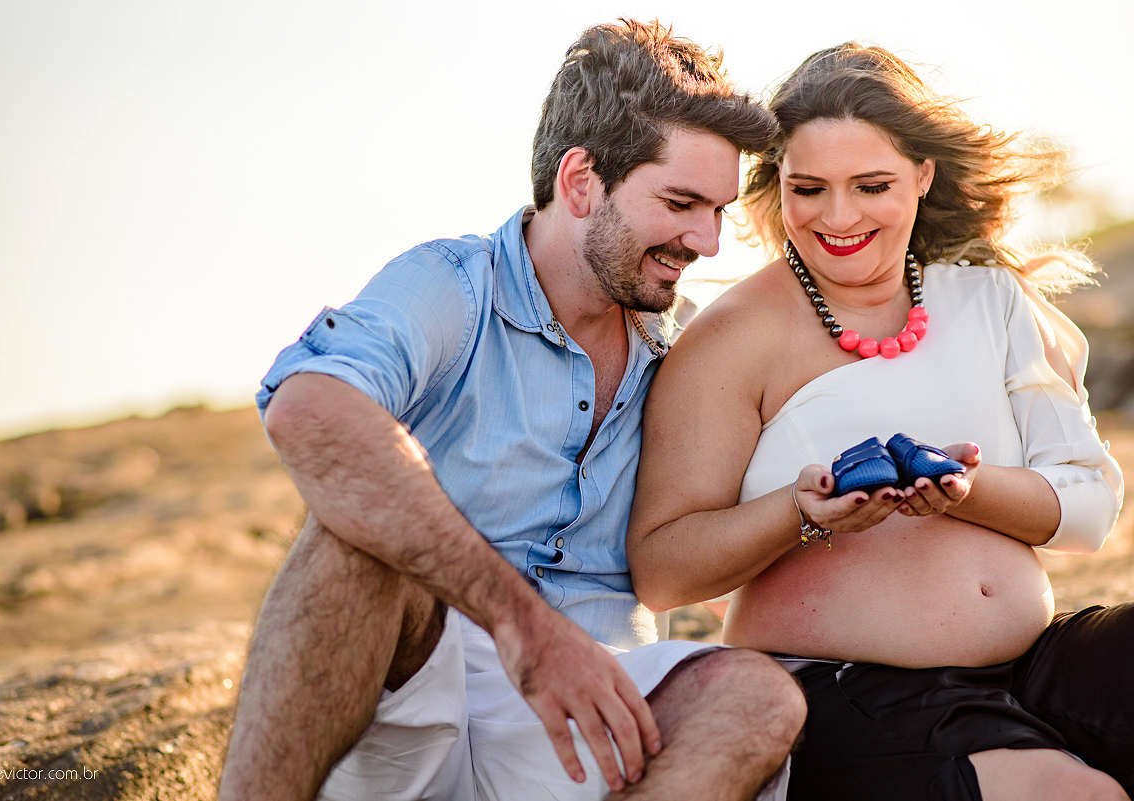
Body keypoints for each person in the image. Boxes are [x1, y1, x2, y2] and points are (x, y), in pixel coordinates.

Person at [218, 19, 804, 801]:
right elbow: (308, 409)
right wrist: (522, 626)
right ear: (580, 181)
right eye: (681, 202)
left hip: (593, 711)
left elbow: (685, 557)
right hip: (417, 682)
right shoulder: (450, 286)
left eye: (718, 210)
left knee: (759, 699)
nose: (708, 240)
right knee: (348, 544)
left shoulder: (687, 345)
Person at [627, 42, 1130, 801]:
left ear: (922, 176)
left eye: (871, 185)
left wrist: (968, 487)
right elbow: (665, 571)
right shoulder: (731, 339)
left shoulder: (990, 302)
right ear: (778, 187)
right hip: (850, 690)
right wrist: (803, 512)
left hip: (1030, 665)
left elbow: (1088, 508)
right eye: (809, 188)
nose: (838, 216)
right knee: (1075, 795)